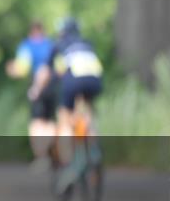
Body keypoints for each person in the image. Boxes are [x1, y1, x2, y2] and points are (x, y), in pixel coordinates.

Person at [48, 17, 103, 188]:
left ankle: (68, 161)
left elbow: (52, 70)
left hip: (73, 80)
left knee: (64, 117)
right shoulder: (87, 42)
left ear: (62, 31)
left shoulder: (59, 44)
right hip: (95, 80)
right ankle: (94, 150)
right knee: (87, 112)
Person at [8, 20, 56, 170]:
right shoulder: (51, 44)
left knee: (36, 123)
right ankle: (51, 149)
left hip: (38, 87)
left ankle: (42, 156)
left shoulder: (27, 46)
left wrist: (12, 70)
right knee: (49, 121)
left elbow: (21, 69)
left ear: (31, 32)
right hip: (54, 86)